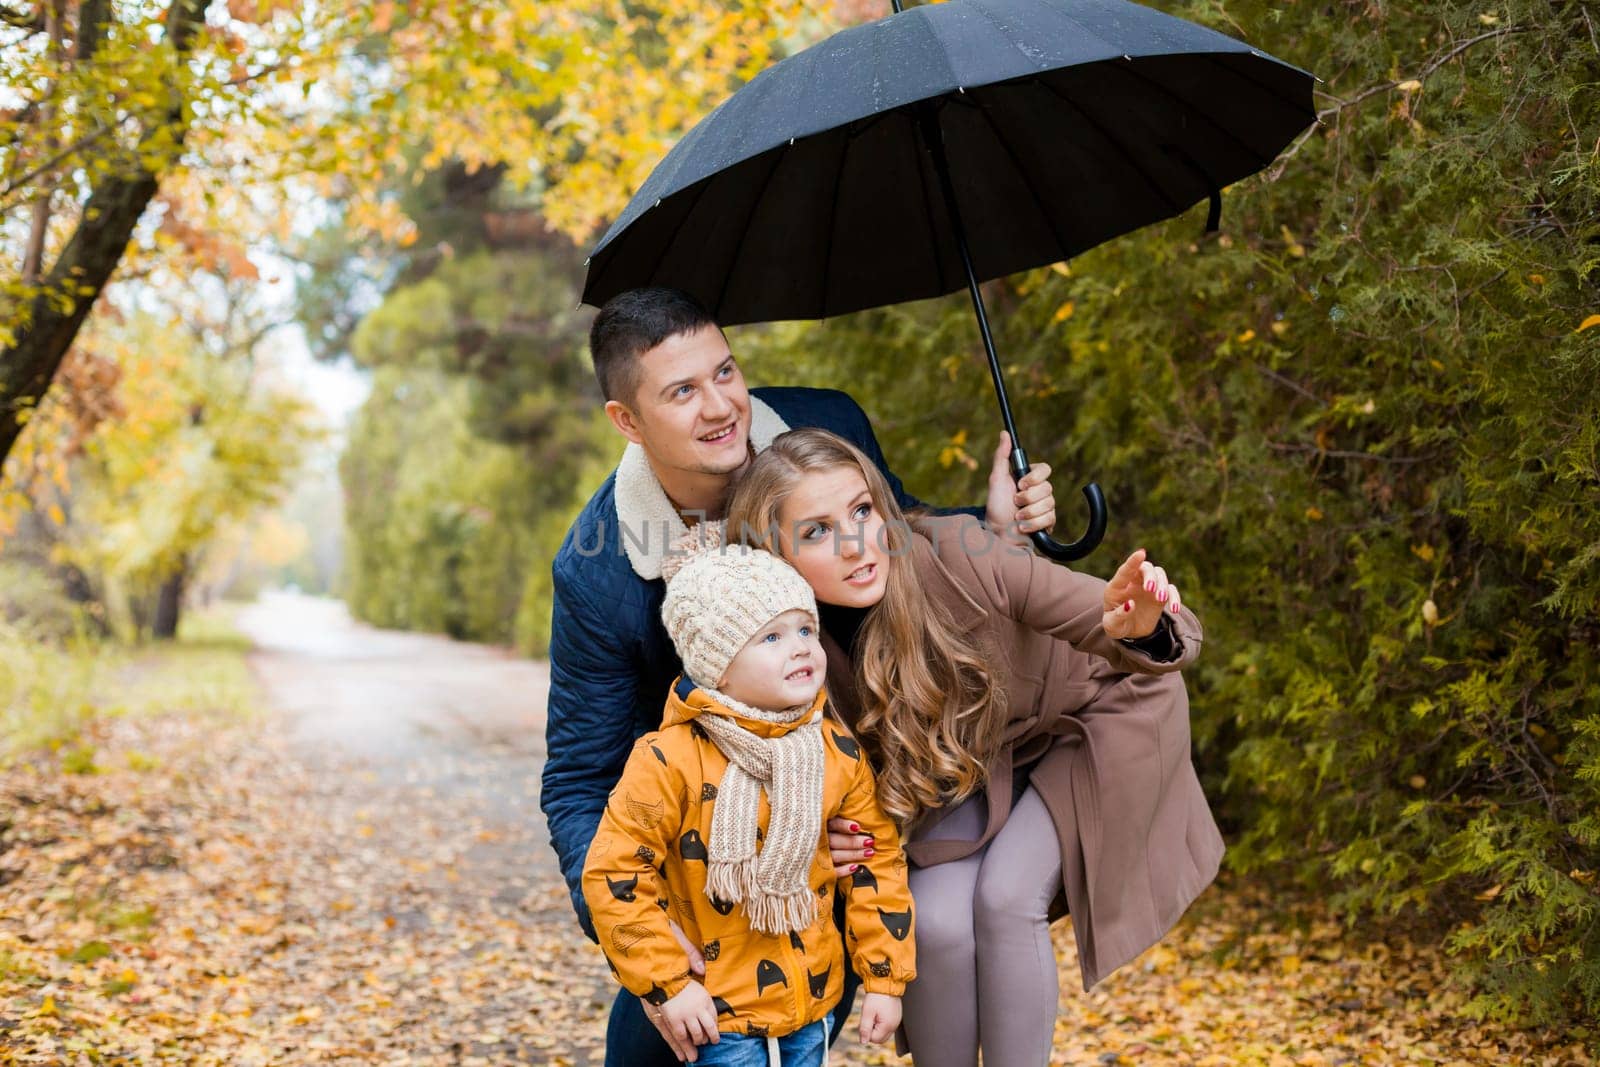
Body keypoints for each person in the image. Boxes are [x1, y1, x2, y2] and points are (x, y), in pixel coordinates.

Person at [541, 286, 1059, 1065]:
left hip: (852, 810)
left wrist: (992, 528)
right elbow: (580, 780)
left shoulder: (827, 425)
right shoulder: (600, 570)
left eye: (725, 371)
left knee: (805, 1026)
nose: (722, 407)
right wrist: (635, 932)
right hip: (704, 856)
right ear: (627, 421)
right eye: (683, 391)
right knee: (654, 1039)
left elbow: (895, 543)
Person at [724, 428, 1225, 1067]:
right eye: (817, 532)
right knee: (931, 922)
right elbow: (794, 784)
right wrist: (823, 833)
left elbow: (1113, 622)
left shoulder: (960, 557)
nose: (856, 544)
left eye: (861, 511)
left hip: (1096, 721)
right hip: (984, 771)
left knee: (1007, 898)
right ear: (773, 553)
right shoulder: (787, 648)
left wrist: (1143, 626)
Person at [582, 533, 915, 1065]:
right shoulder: (668, 760)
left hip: (813, 1004)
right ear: (718, 667)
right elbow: (614, 874)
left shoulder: (833, 751)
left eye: (806, 628)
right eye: (772, 637)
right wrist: (668, 982)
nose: (802, 646)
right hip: (716, 1015)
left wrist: (884, 977)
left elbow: (876, 866)